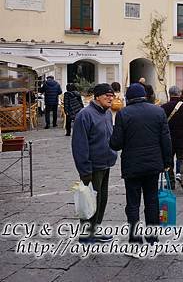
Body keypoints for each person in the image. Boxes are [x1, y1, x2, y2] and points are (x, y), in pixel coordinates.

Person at [109, 83, 172, 246]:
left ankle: (135, 239)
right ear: (145, 95)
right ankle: (153, 238)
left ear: (129, 98)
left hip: (132, 165)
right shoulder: (158, 111)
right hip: (153, 164)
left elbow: (116, 143)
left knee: (133, 203)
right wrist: (167, 162)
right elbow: (166, 139)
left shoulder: (123, 113)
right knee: (152, 202)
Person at [71, 83, 118, 244]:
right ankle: (86, 235)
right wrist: (84, 169)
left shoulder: (107, 113)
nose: (111, 98)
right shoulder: (85, 115)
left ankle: (95, 229)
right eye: (107, 95)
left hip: (106, 163)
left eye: (112, 95)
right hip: (92, 166)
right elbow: (79, 144)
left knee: (102, 200)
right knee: (89, 200)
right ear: (97, 97)